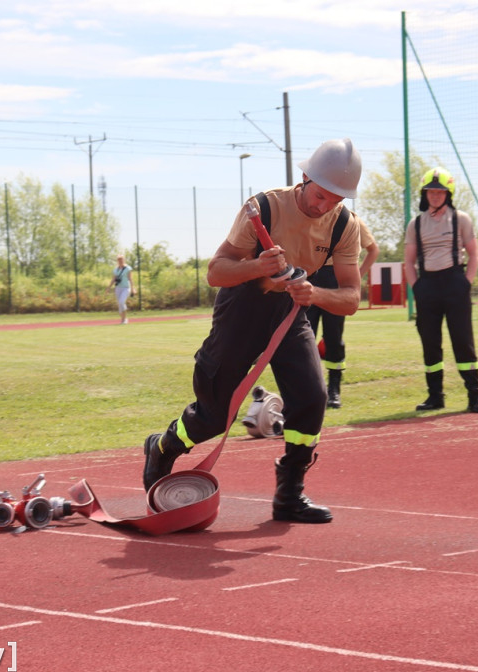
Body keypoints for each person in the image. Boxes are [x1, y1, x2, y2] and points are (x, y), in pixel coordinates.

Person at [141, 138, 364, 524]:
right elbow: (216, 271)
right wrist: (257, 267)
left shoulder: (345, 226)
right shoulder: (263, 208)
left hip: (292, 310)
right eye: (320, 195)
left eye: (335, 199)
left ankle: (289, 493)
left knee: (312, 399)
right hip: (243, 305)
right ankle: (162, 447)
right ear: (305, 177)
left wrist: (315, 293)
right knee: (214, 415)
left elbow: (351, 298)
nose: (323, 206)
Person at [404, 167, 478, 414]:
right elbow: (408, 261)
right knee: (430, 343)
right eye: (430, 191)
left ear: (448, 193)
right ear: (424, 194)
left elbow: (474, 253)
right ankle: (435, 397)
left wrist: (466, 282)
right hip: (427, 285)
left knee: (463, 341)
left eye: (440, 191)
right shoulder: (416, 224)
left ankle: (475, 396)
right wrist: (417, 287)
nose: (435, 195)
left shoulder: (461, 219)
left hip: (455, 283)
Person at [305, 216, 379, 409]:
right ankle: (309, 390)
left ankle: (334, 390)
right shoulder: (309, 216)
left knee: (333, 338)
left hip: (336, 278)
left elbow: (373, 250)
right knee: (304, 338)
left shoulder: (351, 220)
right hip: (309, 277)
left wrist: (356, 277)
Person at [110, 254, 134, 324]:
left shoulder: (128, 268)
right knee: (120, 305)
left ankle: (124, 319)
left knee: (121, 302)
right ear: (117, 261)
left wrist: (132, 288)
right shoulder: (116, 269)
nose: (120, 261)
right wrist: (109, 287)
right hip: (118, 288)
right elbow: (113, 279)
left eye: (121, 259)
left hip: (126, 288)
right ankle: (123, 319)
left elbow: (130, 278)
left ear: (124, 260)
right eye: (119, 260)